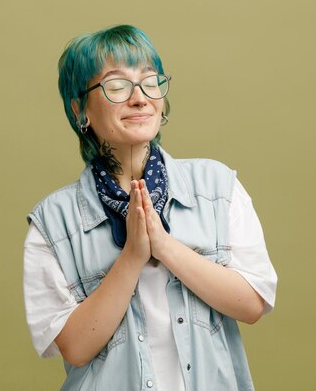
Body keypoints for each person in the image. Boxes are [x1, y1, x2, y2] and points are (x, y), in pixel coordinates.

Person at [23, 25, 277, 391]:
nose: (140, 98)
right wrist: (132, 256)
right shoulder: (52, 224)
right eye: (116, 85)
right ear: (81, 109)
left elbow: (252, 303)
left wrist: (165, 246)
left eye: (149, 81)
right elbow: (75, 348)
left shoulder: (218, 187)